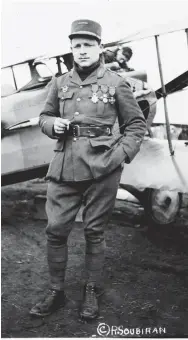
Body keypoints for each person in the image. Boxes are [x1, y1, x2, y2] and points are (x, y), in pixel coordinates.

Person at [30, 19, 146, 320]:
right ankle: (56, 290)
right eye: (76, 46)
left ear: (100, 48)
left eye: (88, 45)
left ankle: (92, 290)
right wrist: (50, 125)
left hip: (103, 168)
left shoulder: (116, 83)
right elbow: (45, 115)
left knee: (95, 232)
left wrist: (120, 155)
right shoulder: (60, 83)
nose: (82, 51)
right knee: (55, 230)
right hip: (64, 165)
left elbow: (136, 125)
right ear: (71, 49)